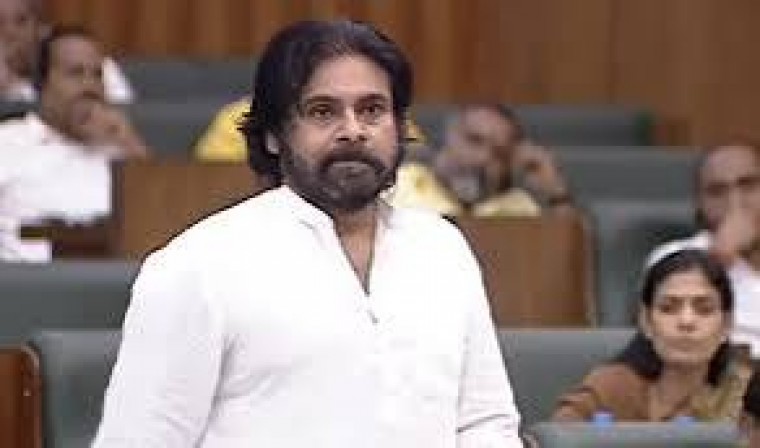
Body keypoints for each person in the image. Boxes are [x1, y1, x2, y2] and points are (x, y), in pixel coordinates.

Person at [93, 19, 522, 447]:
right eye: (323, 112)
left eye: (372, 110)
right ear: (274, 135)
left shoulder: (442, 249)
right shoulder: (197, 266)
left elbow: (485, 423)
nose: (353, 130)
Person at [554, 249, 760, 441]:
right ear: (646, 321)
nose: (686, 321)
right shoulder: (612, 386)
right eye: (668, 308)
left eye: (704, 309)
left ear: (726, 325)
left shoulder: (746, 392)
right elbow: (555, 439)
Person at [0, 25, 148, 261]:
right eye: (75, 73)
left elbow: (159, 221)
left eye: (97, 75)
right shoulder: (7, 142)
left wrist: (128, 142)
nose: (90, 86)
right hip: (26, 279)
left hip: (116, 278)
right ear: (42, 84)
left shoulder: (122, 149)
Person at [649, 142, 760, 356]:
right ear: (699, 204)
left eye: (748, 185)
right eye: (717, 192)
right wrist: (720, 257)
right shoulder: (671, 257)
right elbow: (666, 344)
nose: (735, 203)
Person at [391, 103, 573, 217]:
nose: (483, 158)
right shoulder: (397, 188)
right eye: (474, 140)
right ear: (449, 135)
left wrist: (556, 194)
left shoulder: (517, 206)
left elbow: (563, 255)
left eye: (499, 153)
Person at [193, 95, 429, 162]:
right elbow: (216, 179)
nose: (352, 132)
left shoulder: (385, 110)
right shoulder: (238, 118)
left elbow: (415, 159)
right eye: (322, 113)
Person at [0, 0, 133, 103]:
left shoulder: (92, 64)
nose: (10, 32)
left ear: (42, 29)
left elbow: (130, 115)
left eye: (21, 21)